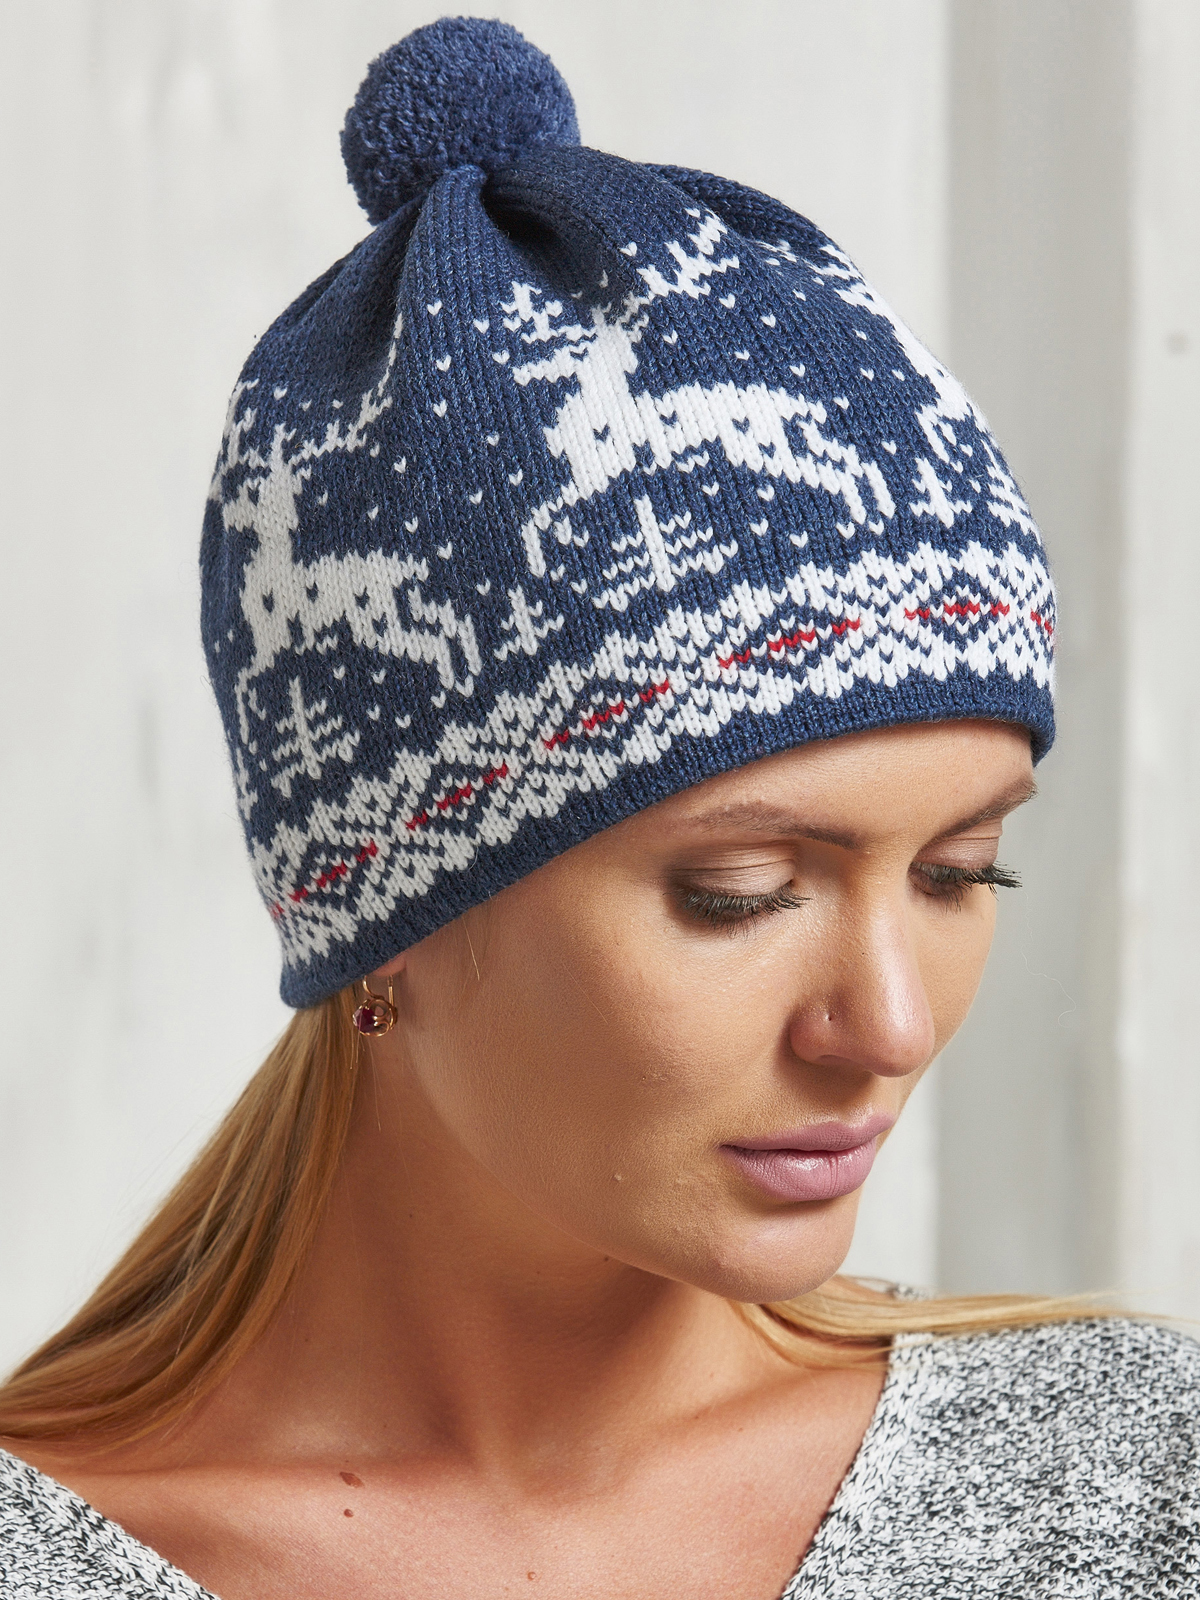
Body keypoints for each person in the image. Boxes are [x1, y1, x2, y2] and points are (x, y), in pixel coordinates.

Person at [1, 17, 1196, 1598]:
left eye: (964, 871)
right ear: (386, 908)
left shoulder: (1142, 1484)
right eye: (742, 891)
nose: (891, 1025)